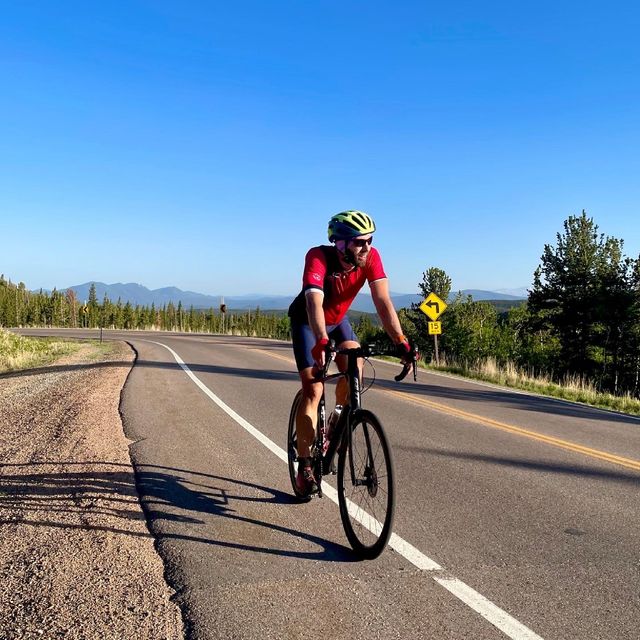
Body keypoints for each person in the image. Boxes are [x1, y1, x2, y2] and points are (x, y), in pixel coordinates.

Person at [288, 210, 415, 496]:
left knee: (354, 365)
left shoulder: (371, 258)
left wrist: (401, 342)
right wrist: (321, 340)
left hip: (339, 321)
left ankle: (338, 418)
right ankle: (305, 463)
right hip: (309, 321)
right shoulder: (318, 257)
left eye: (370, 240)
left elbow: (382, 301)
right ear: (341, 243)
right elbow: (313, 301)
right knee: (313, 390)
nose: (367, 247)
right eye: (359, 242)